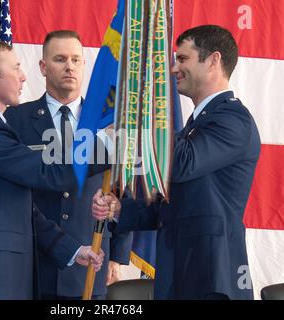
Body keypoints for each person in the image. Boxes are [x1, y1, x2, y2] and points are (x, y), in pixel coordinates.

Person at [92, 25, 261, 300]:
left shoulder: (234, 120)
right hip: (181, 274)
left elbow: (182, 163)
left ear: (213, 60)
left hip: (211, 278)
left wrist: (142, 111)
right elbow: (171, 205)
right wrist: (121, 208)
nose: (173, 69)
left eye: (183, 59)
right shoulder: (196, 125)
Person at [0, 39, 104, 300]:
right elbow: (47, 170)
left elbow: (24, 208)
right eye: (16, 67)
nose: (23, 76)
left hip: (3, 272)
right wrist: (112, 149)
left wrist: (72, 250)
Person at [4, 30, 132, 300]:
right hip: (33, 263)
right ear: (43, 66)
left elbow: (124, 189)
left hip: (92, 261)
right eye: (60, 59)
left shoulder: (107, 122)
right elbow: (12, 191)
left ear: (85, 65)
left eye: (76, 59)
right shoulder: (16, 118)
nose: (69, 66)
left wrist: (118, 257)